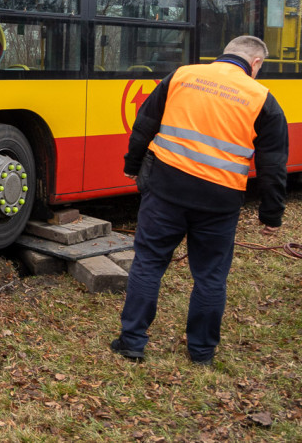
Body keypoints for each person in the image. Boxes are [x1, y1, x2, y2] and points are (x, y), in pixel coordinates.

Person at [111, 35, 288, 366]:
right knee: (210, 276)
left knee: (149, 263)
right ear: (256, 64)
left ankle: (132, 343)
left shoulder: (182, 75)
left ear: (225, 54)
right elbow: (273, 165)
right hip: (219, 201)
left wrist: (132, 166)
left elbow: (144, 124)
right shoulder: (262, 98)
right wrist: (270, 216)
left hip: (166, 189)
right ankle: (202, 353)